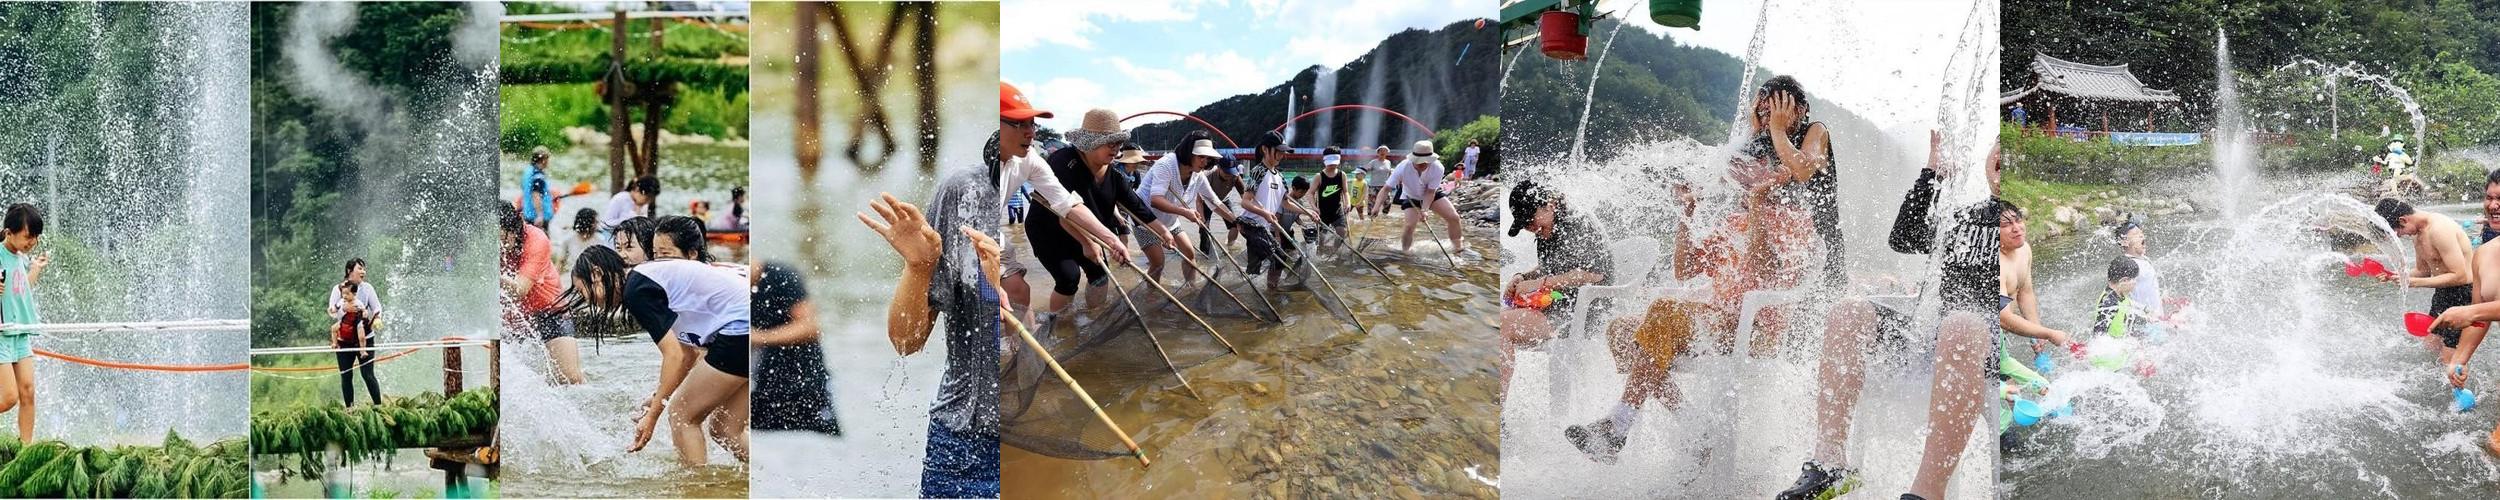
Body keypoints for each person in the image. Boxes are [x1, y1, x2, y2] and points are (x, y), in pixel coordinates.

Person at [1782, 136, 2040, 500]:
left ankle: (1927, 492)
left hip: (1979, 351)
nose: (2002, 151)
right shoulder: (1963, 217)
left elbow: (2025, 287)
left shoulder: (2017, 236)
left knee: (1961, 324)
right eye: (1997, 144)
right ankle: (1830, 464)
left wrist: (2036, 336)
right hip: (1929, 341)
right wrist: (1931, 172)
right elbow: (1903, 237)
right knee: (1849, 312)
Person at [857, 181, 1004, 495]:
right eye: (1016, 126)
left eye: (1029, 126)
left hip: (1021, 431)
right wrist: (919, 267)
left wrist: (994, 292)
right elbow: (906, 343)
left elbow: (1027, 350)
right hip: (962, 439)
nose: (1026, 132)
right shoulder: (963, 193)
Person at [566, 245, 750, 467]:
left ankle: (696, 490)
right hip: (752, 324)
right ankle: (773, 480)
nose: (585, 299)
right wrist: (657, 397)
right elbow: (688, 354)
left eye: (582, 290)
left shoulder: (635, 289)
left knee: (682, 416)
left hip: (740, 328)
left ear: (596, 274)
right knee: (726, 430)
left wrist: (652, 416)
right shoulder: (645, 278)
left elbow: (674, 356)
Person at [993, 83, 1128, 325]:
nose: (1031, 133)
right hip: (1040, 230)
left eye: (1032, 124)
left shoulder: (1030, 159)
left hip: (999, 234)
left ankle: (1023, 352)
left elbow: (1067, 204)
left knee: (1018, 291)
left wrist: (1111, 239)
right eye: (1019, 124)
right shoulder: (1063, 161)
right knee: (1060, 279)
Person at [1030, 108, 1176, 326]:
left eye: (1118, 143)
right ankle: (1058, 326)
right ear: (1090, 142)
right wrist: (1087, 243)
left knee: (1100, 275)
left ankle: (1092, 319)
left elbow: (1139, 208)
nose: (1116, 149)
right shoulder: (1064, 163)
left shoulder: (1115, 174)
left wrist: (1163, 232)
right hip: (1049, 229)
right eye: (1110, 143)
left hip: (1087, 228)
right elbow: (1064, 213)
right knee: (1069, 278)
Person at [1497, 180, 1612, 400]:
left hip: (1583, 313)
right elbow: (1556, 265)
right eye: (1524, 224)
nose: (1529, 227)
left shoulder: (1577, 224)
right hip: (1556, 306)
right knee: (1500, 316)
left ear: (1548, 205)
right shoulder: (1548, 227)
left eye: (1530, 219)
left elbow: (1594, 273)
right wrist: (1523, 276)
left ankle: (1499, 412)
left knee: (1501, 325)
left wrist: (1541, 283)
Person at [1737, 75, 1846, 292]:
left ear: (1802, 109)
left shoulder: (1816, 131)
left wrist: (1777, 130)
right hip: (1775, 246)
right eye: (1766, 112)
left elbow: (1802, 170)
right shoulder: (1762, 139)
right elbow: (1734, 181)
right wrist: (1755, 129)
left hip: (1819, 247)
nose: (1771, 118)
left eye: (1780, 110)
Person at [2432, 169, 2500, 455]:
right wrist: (2458, 361)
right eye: (2489, 198)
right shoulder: (2484, 254)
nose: (2494, 205)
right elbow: (2480, 318)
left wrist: (2469, 314)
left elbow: (2474, 314)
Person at [750, 260, 839, 435]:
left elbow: (811, 327)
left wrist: (760, 338)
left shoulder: (780, 276)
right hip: (762, 390)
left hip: (804, 386)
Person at [2379, 198, 2475, 357]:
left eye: (2398, 232)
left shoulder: (2440, 229)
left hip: (2464, 294)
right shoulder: (2417, 234)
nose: (2400, 236)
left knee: (2449, 356)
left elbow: (2460, 276)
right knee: (2430, 346)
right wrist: (2395, 276)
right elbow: (2422, 271)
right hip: (2442, 293)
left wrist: (2417, 283)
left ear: (2403, 220)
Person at [502, 203, 582, 384]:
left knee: (571, 380)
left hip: (551, 313)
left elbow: (519, 290)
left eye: (504, 240)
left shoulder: (536, 239)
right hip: (512, 320)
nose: (501, 247)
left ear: (515, 229)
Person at [1368, 139, 1474, 261]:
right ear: (1413, 159)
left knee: (1454, 217)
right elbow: (1386, 189)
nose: (1423, 165)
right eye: (1420, 162)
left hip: (1431, 195)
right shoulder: (1402, 167)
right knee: (1409, 225)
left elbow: (1430, 192)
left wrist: (1424, 210)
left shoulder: (1438, 167)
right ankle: (1405, 253)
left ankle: (1458, 249)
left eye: (1426, 162)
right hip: (1410, 196)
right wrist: (1376, 207)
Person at [1240, 131, 1317, 291]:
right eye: (1278, 150)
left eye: (1283, 151)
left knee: (1256, 267)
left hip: (1263, 226)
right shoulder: (1258, 171)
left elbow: (1286, 202)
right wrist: (1265, 214)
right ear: (1265, 149)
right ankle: (1271, 291)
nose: (1281, 155)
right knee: (1280, 257)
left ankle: (1254, 288)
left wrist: (1308, 212)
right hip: (1251, 224)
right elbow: (1245, 202)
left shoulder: (1280, 177)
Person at [1139, 133, 1215, 286]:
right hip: (1145, 219)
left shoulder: (1197, 174)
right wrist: (1185, 212)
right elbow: (1155, 200)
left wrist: (1235, 221)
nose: (1204, 162)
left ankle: (1190, 287)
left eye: (1207, 158)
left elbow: (1214, 201)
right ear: (1189, 152)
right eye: (1201, 157)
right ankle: (1151, 293)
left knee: (1189, 253)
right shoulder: (1166, 165)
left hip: (1170, 220)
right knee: (1158, 262)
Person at [0, 204, 45, 442]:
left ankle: (25, 450)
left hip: (20, 332)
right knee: (8, 397)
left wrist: (35, 269)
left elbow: (20, 290)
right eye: (29, 236)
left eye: (36, 237)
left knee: (28, 392)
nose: (32, 242)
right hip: (1, 333)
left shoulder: (20, 258)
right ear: (9, 233)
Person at [329, 258, 384, 407]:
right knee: (346, 376)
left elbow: (377, 307)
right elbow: (332, 312)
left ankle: (379, 407)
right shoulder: (338, 289)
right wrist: (343, 309)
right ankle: (350, 409)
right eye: (359, 268)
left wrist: (377, 317)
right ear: (349, 271)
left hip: (365, 337)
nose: (363, 272)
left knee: (368, 374)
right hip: (344, 339)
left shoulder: (367, 288)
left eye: (364, 269)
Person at [2094, 257, 2144, 338]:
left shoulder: (2119, 293)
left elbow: (2127, 309)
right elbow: (2098, 335)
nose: (2135, 283)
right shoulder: (2109, 303)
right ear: (2124, 281)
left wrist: (2146, 314)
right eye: (2134, 279)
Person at [1314, 147, 1352, 246]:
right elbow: (1310, 193)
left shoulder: (1342, 175)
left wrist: (1348, 203)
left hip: (1337, 210)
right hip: (1322, 211)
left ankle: (1335, 253)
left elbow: (1345, 192)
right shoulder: (1319, 176)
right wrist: (1313, 208)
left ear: (1339, 161)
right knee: (1321, 237)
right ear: (1325, 161)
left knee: (1342, 232)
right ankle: (1320, 252)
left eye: (1335, 163)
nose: (1332, 165)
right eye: (1330, 163)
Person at [521, 146, 557, 232]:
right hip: (537, 217)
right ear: (543, 159)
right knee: (544, 242)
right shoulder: (538, 175)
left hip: (528, 213)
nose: (548, 162)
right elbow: (535, 194)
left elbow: (525, 191)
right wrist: (540, 215)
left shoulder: (528, 172)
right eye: (548, 158)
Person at [558, 208, 600, 272]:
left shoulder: (599, 242)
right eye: (595, 222)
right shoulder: (569, 240)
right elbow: (560, 263)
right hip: (571, 276)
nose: (597, 226)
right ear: (588, 223)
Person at [1365, 145, 1395, 219]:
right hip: (1374, 185)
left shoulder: (1388, 162)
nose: (1382, 152)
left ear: (1386, 153)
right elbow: (1365, 170)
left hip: (1385, 186)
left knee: (1388, 202)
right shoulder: (1373, 162)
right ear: (1378, 153)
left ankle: (1384, 215)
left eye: (1384, 151)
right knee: (1372, 202)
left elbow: (1390, 173)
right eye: (1381, 151)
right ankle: (1370, 216)